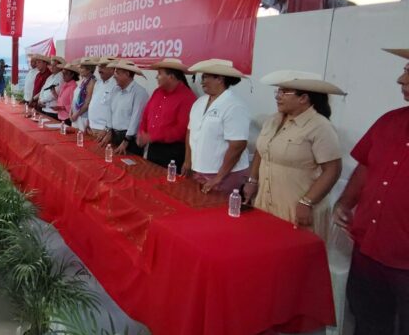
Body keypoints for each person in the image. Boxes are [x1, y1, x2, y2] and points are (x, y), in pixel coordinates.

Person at [310, 48, 409, 335]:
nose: (401, 79)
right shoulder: (390, 121)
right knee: (368, 313)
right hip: (371, 242)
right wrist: (347, 200)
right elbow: (366, 166)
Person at [244, 70, 344, 238]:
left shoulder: (320, 126)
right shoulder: (272, 120)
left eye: (284, 92)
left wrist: (307, 202)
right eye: (278, 91)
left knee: (293, 256)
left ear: (303, 98)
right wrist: (252, 180)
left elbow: (333, 170)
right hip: (266, 203)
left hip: (296, 207)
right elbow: (262, 151)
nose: (278, 96)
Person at [184, 59, 250, 194]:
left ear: (220, 79)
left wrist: (219, 177)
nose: (202, 81)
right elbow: (190, 132)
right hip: (199, 170)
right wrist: (188, 161)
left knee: (217, 211)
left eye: (205, 77)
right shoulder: (199, 103)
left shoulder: (234, 105)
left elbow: (237, 145)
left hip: (224, 175)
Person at [136, 58, 196, 169]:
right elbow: (145, 115)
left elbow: (181, 130)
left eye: (159, 74)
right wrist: (141, 132)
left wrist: (152, 136)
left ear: (171, 77)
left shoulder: (187, 97)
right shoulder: (157, 92)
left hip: (172, 151)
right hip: (153, 148)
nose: (156, 77)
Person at [98, 60, 148, 156]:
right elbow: (109, 111)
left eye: (117, 73)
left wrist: (126, 141)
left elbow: (136, 119)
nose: (114, 76)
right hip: (115, 136)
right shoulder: (115, 89)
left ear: (127, 74)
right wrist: (109, 130)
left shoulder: (139, 92)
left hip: (130, 140)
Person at [87, 57, 118, 136]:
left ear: (112, 69)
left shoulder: (116, 85)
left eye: (103, 66)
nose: (100, 70)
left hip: (103, 130)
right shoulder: (98, 83)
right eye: (99, 67)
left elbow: (115, 110)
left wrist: (107, 129)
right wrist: (88, 121)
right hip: (91, 127)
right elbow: (92, 102)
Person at [69, 58, 96, 132]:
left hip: (82, 116)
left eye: (82, 68)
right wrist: (70, 112)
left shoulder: (92, 82)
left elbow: (87, 103)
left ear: (89, 70)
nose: (79, 69)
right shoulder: (83, 80)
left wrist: (76, 114)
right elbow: (75, 98)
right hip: (75, 115)